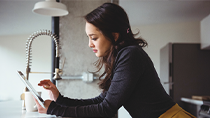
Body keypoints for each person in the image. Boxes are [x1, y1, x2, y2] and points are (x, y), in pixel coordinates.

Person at [34, 3, 196, 118]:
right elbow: (103, 100)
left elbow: (106, 109)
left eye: (94, 38)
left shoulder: (130, 55)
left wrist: (54, 109)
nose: (89, 44)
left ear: (114, 35)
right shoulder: (122, 57)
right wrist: (59, 100)